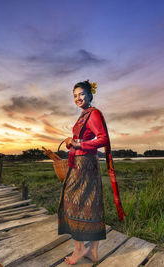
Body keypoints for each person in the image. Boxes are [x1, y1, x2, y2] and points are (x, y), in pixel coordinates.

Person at [57, 80, 126, 265]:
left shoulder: (93, 113)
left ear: (89, 95)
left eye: (81, 94)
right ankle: (93, 251)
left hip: (84, 164)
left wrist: (79, 144)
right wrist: (72, 141)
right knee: (91, 202)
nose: (78, 98)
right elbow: (84, 137)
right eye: (75, 95)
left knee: (73, 201)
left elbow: (102, 138)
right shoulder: (84, 115)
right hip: (85, 163)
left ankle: (80, 249)